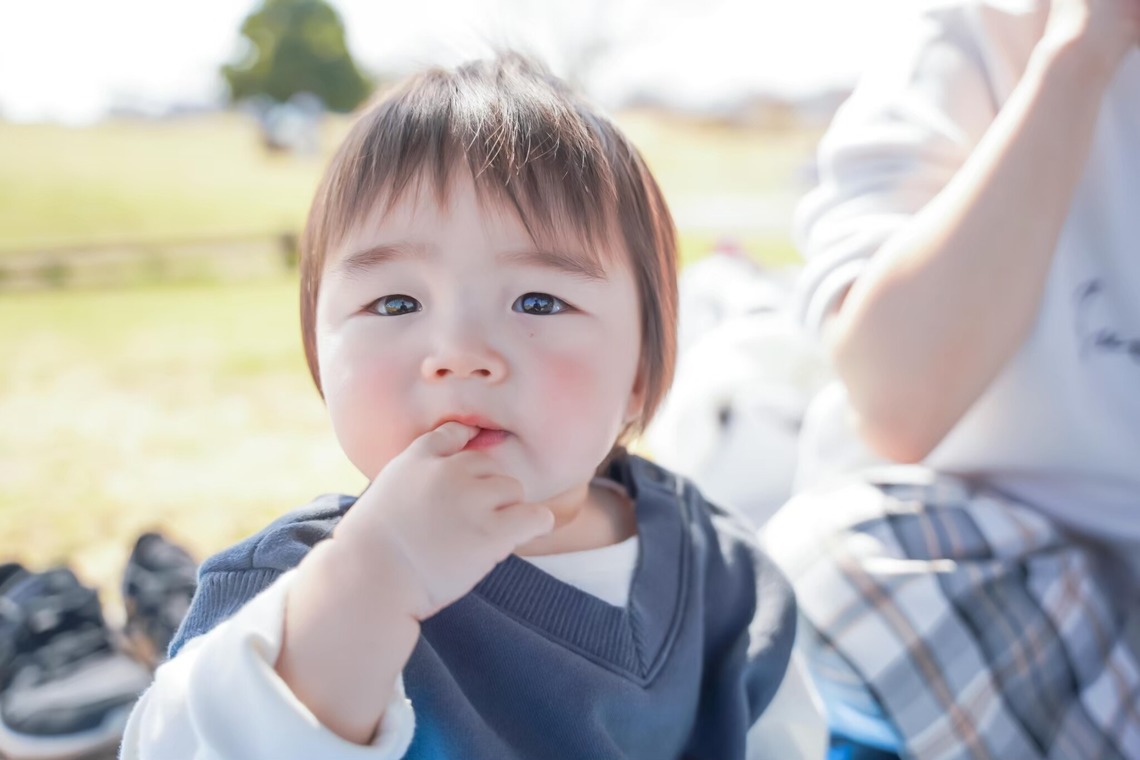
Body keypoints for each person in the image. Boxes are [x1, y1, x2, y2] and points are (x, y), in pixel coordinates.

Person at [119, 54, 826, 760]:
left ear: (641, 369)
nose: (459, 353)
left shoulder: (720, 572)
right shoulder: (292, 594)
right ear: (319, 352)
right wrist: (368, 583)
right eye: (395, 302)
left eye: (538, 302)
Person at [764, 0, 1140, 757]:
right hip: (1010, 587)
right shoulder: (968, 40)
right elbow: (895, 402)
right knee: (832, 560)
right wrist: (1078, 57)